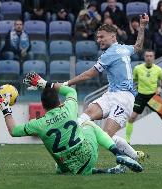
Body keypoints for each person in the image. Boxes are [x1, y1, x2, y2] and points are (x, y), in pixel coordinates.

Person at [0, 72, 143, 175]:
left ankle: (104, 169)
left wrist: (5, 109)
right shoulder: (70, 107)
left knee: (62, 166)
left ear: (43, 106)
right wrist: (43, 83)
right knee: (88, 124)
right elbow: (70, 91)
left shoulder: (38, 123)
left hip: (67, 167)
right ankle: (117, 154)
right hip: (88, 157)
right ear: (59, 101)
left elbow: (14, 131)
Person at [61, 14, 150, 160]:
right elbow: (138, 46)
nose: (98, 40)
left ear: (113, 37)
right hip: (111, 94)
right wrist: (142, 27)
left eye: (102, 37)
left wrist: (67, 83)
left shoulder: (109, 54)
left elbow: (89, 74)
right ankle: (71, 146)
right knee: (87, 115)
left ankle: (129, 159)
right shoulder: (123, 49)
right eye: (98, 37)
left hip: (124, 98)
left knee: (106, 135)